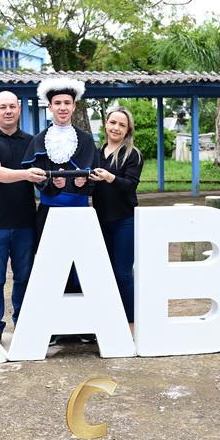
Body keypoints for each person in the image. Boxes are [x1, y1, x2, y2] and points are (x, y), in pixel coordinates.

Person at [22, 77, 99, 344]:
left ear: (74, 106)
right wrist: (48, 185)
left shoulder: (86, 140)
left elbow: (95, 175)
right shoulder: (39, 140)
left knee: (82, 266)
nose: (63, 107)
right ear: (50, 107)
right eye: (58, 103)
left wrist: (83, 184)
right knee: (50, 266)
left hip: (80, 212)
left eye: (67, 102)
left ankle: (85, 324)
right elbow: (33, 174)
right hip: (49, 212)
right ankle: (52, 326)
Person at [0, 90, 46, 342]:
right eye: (3, 107)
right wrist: (27, 174)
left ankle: (23, 322)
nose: (8, 111)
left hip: (26, 222)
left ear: (19, 109)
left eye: (12, 106)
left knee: (25, 277)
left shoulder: (31, 141)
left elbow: (43, 177)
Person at [90, 106, 143, 329]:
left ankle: (132, 324)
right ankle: (111, 321)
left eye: (122, 125)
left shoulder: (132, 154)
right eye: (113, 122)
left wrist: (110, 177)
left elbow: (130, 185)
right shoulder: (96, 153)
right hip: (100, 221)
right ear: (105, 124)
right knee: (105, 274)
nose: (116, 128)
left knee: (122, 273)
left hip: (124, 221)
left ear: (128, 130)